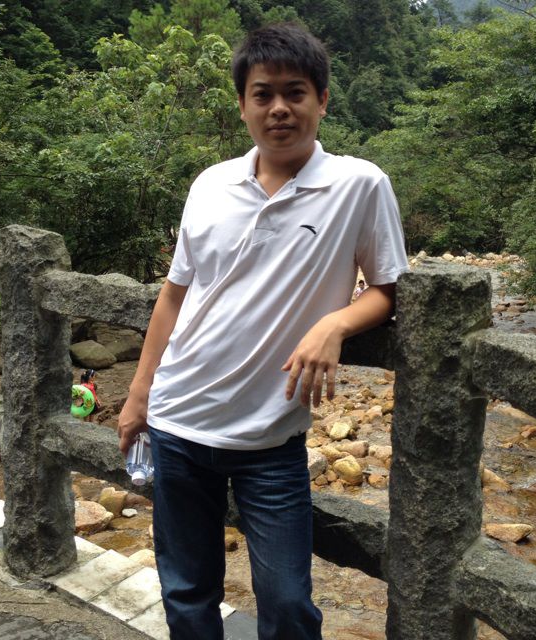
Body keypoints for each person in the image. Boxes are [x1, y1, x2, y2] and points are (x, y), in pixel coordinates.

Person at [117, 22, 408, 640]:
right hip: (177, 423)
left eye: (295, 92)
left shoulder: (360, 185)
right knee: (186, 591)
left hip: (271, 440)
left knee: (287, 604)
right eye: (263, 94)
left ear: (322, 100)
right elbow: (174, 295)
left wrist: (335, 322)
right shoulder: (210, 185)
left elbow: (386, 289)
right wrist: (139, 395)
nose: (279, 108)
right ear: (243, 105)